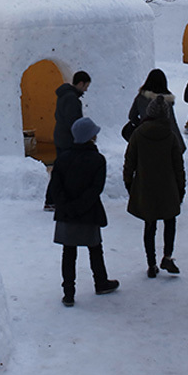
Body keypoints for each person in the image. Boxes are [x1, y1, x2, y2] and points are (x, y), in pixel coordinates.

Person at [49, 116, 119, 306]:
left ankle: (69, 293)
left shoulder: (62, 159)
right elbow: (96, 189)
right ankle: (101, 282)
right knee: (95, 249)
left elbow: (55, 187)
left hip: (66, 214)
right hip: (89, 212)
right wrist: (80, 207)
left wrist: (67, 207)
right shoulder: (98, 160)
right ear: (91, 137)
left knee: (68, 253)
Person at [124, 95, 186, 278]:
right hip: (168, 187)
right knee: (170, 221)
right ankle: (167, 256)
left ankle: (151, 263)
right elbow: (178, 166)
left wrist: (129, 184)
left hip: (145, 186)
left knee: (149, 225)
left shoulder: (138, 134)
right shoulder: (170, 136)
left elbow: (129, 162)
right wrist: (180, 189)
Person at [44, 70, 91, 209]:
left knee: (60, 170)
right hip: (67, 140)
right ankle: (53, 200)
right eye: (86, 86)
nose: (86, 90)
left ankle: (52, 200)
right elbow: (74, 122)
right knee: (63, 171)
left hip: (60, 136)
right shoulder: (72, 99)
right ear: (80, 83)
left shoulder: (64, 95)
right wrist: (81, 138)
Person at [127, 69, 186, 153]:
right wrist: (180, 145)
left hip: (144, 135)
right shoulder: (166, 102)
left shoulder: (141, 97)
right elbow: (172, 123)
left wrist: (141, 124)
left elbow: (131, 116)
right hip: (163, 138)